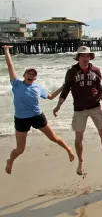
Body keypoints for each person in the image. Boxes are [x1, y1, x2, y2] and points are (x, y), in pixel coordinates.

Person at [3, 45, 74, 174]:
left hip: (37, 116)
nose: (31, 75)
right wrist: (7, 51)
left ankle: (69, 150)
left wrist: (63, 87)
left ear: (35, 78)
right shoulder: (16, 83)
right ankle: (10, 161)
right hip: (21, 119)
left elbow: (51, 97)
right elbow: (10, 66)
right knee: (20, 149)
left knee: (54, 138)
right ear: (24, 75)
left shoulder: (38, 88)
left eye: (33, 75)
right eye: (28, 73)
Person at [53, 46, 102, 175]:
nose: (85, 58)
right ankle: (81, 161)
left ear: (90, 57)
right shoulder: (71, 72)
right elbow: (65, 90)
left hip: (95, 107)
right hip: (79, 109)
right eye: (82, 56)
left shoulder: (96, 71)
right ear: (78, 57)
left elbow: (100, 89)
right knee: (78, 137)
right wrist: (58, 105)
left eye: (87, 56)